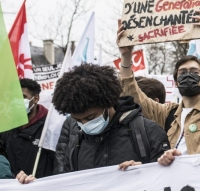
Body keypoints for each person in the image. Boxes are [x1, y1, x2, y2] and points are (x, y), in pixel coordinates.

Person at [15, 64, 170, 184]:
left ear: (108, 103)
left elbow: (168, 182)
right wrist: (35, 189)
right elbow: (68, 188)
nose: (84, 125)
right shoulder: (76, 143)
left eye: (90, 117)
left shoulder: (147, 132)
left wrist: (145, 172)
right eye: (78, 120)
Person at [118, 4, 200, 155]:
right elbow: (133, 95)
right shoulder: (167, 114)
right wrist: (126, 56)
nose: (188, 75)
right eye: (182, 72)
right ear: (176, 82)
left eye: (194, 72)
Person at [0, 79, 54, 179]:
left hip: (43, 190)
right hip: (13, 190)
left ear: (36, 98)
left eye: (22, 97)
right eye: (13, 97)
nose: (16, 101)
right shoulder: (5, 127)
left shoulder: (50, 126)